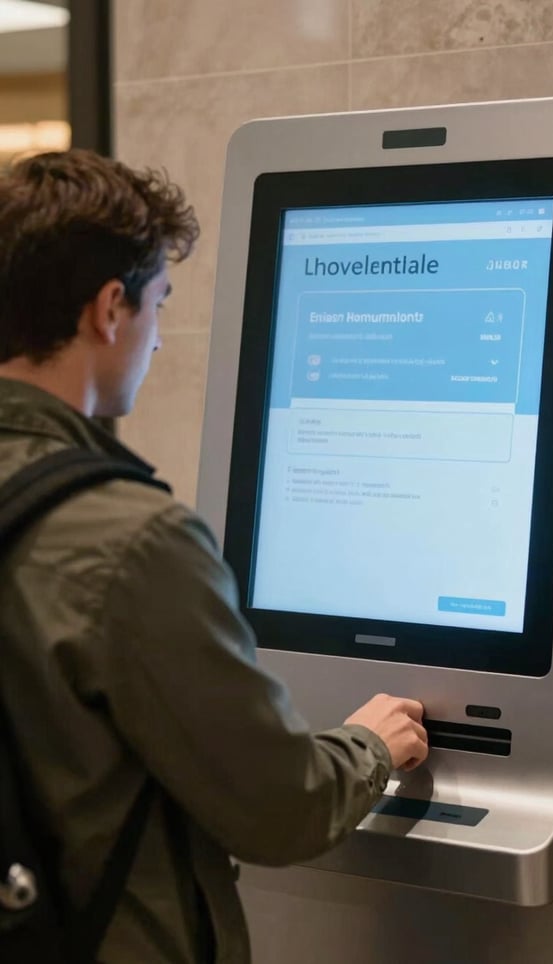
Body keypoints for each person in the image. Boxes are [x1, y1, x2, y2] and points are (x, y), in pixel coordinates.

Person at [0, 149, 429, 963]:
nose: (158, 341)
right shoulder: (128, 538)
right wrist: (368, 745)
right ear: (109, 310)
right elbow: (279, 807)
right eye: (158, 302)